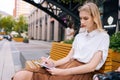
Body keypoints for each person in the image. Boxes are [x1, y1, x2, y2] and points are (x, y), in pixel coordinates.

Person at [12, 2, 110, 80]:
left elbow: (91, 67)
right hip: (67, 67)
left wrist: (62, 72)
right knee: (21, 75)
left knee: (26, 77)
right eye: (81, 18)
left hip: (81, 73)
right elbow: (68, 58)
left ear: (95, 18)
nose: (82, 22)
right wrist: (53, 63)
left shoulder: (103, 37)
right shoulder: (79, 37)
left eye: (86, 18)